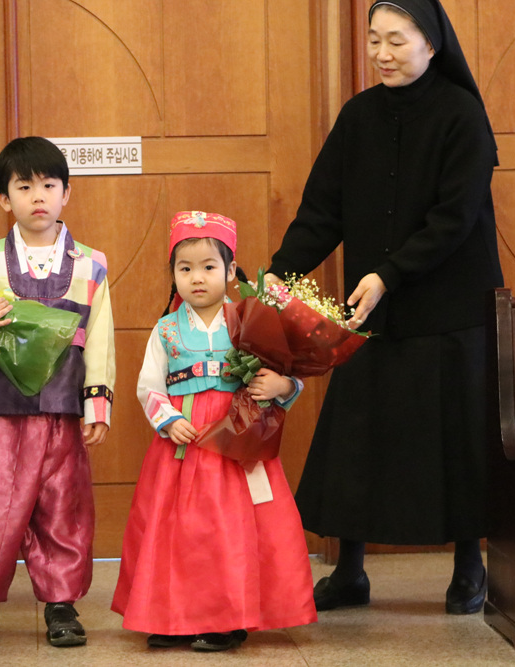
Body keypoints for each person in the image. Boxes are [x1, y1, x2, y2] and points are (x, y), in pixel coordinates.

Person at [266, 0, 503, 615]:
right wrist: (278, 274)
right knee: (358, 440)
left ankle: (469, 567)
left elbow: (454, 217)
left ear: (432, 44)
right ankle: (350, 572)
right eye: (375, 40)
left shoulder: (462, 114)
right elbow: (323, 209)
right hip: (369, 309)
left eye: (396, 40)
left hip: (449, 309)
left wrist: (389, 274)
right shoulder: (358, 115)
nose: (382, 54)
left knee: (456, 441)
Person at [0, 136, 116, 648]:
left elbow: (100, 338)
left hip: (61, 408)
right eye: (24, 186)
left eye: (49, 186)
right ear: (3, 197)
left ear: (66, 193)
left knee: (63, 507)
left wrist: (97, 405)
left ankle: (61, 604)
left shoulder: (91, 264)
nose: (38, 196)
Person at [111, 211, 316, 652]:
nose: (197, 278)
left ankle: (229, 617)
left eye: (208, 267)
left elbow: (288, 375)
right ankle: (171, 617)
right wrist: (168, 418)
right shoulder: (166, 329)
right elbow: (148, 386)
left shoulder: (249, 319)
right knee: (177, 532)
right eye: (185, 269)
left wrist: (281, 387)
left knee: (231, 532)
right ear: (173, 274)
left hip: (235, 441)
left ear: (230, 269)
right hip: (184, 444)